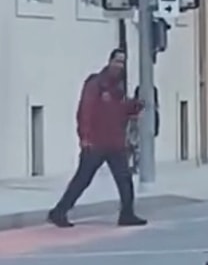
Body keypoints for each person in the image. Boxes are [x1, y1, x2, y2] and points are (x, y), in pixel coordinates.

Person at [47, 49, 148, 228]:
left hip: (115, 143)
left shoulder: (119, 88)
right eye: (117, 61)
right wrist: (84, 137)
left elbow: (120, 111)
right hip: (95, 143)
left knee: (124, 179)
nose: (119, 65)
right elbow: (84, 111)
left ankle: (127, 214)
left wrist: (135, 106)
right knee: (82, 180)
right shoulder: (96, 84)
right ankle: (59, 212)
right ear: (109, 61)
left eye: (122, 62)